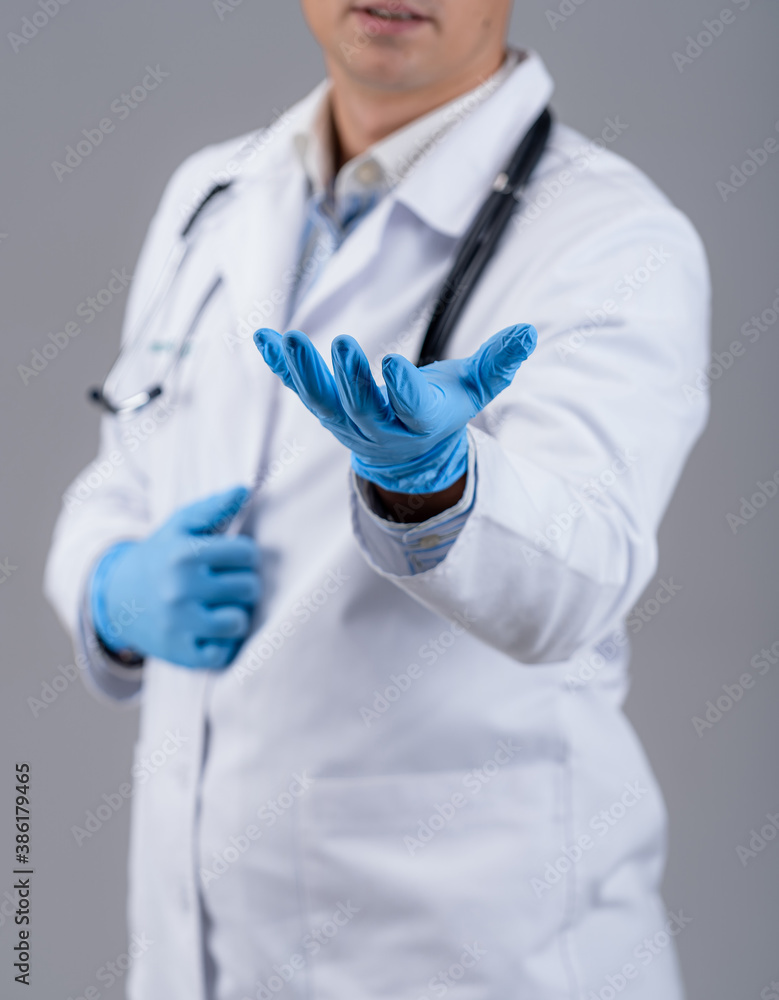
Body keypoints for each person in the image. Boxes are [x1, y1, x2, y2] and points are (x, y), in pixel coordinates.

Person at [45, 1, 710, 997]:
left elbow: (579, 575)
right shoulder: (214, 195)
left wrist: (432, 483)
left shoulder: (613, 234)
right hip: (195, 949)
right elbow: (126, 460)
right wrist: (107, 586)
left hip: (471, 954)